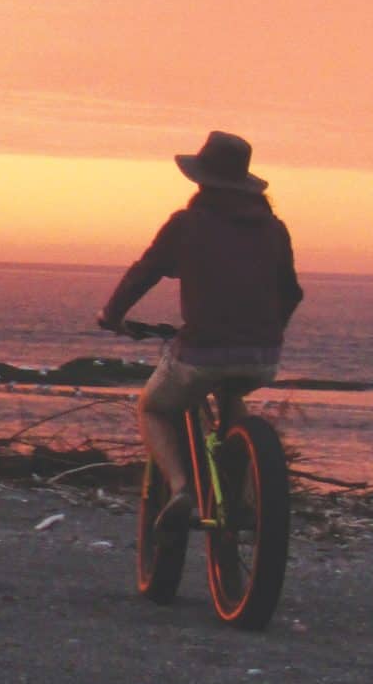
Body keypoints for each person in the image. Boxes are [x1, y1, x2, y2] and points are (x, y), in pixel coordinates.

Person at [95, 131, 303, 533]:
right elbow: (291, 293)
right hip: (262, 356)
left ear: (201, 180)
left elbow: (145, 272)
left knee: (153, 408)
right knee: (233, 402)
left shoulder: (187, 224)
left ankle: (181, 489)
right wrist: (269, 332)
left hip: (202, 351)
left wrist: (111, 313)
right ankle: (244, 497)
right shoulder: (274, 229)